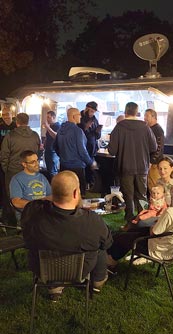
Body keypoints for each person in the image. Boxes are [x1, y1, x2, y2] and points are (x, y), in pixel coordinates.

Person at [21, 170, 113, 301]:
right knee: (100, 247)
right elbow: (108, 243)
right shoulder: (92, 221)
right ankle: (97, 282)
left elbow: (27, 239)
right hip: (81, 270)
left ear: (53, 193)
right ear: (76, 193)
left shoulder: (34, 216)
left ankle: (54, 287)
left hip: (43, 269)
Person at [107, 175, 173, 267]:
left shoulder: (172, 213)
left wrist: (156, 223)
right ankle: (111, 259)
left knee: (122, 238)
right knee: (129, 233)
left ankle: (108, 260)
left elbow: (153, 232)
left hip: (159, 249)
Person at [108, 102, 157, 225]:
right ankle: (144, 218)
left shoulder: (119, 127)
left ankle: (129, 218)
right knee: (142, 194)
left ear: (125, 112)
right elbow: (154, 147)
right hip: (142, 167)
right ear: (137, 112)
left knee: (128, 195)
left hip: (125, 167)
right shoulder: (145, 127)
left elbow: (112, 150)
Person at [0, 112, 40, 224]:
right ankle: (29, 219)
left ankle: (13, 221)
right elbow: (38, 152)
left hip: (13, 171)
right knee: (30, 193)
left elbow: (4, 155)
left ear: (17, 122)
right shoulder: (35, 135)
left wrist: (6, 169)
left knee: (13, 196)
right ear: (28, 122)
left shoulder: (10, 136)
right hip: (31, 171)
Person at [54, 107, 97, 196]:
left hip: (63, 166)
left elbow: (55, 146)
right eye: (78, 115)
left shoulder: (60, 130)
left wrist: (63, 156)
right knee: (78, 194)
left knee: (65, 193)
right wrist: (91, 162)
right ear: (73, 116)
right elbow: (82, 150)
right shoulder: (77, 131)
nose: (80, 117)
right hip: (77, 167)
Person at [78, 101, 102, 189]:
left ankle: (91, 184)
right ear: (87, 109)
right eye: (91, 111)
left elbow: (97, 136)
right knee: (85, 167)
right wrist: (85, 127)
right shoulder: (80, 117)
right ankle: (85, 185)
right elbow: (79, 133)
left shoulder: (95, 119)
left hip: (92, 147)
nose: (92, 113)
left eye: (94, 111)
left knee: (91, 167)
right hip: (83, 147)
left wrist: (98, 132)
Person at [0, 104, 16, 215]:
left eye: (7, 114)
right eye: (4, 114)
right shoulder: (0, 127)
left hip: (13, 159)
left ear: (12, 115)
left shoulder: (16, 127)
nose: (5, 117)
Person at [144, 109, 164, 190]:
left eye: (147, 116)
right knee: (149, 184)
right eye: (144, 116)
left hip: (155, 164)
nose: (145, 118)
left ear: (154, 117)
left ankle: (157, 202)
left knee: (155, 186)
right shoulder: (149, 128)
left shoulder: (157, 130)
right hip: (149, 162)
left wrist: (151, 161)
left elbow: (159, 147)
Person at [43, 110, 60, 177]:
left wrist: (47, 127)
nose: (47, 119)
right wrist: (43, 144)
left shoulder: (57, 126)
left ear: (54, 117)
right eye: (47, 117)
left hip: (53, 152)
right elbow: (48, 137)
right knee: (49, 170)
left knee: (53, 171)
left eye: (49, 117)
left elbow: (56, 136)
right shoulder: (50, 126)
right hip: (48, 151)